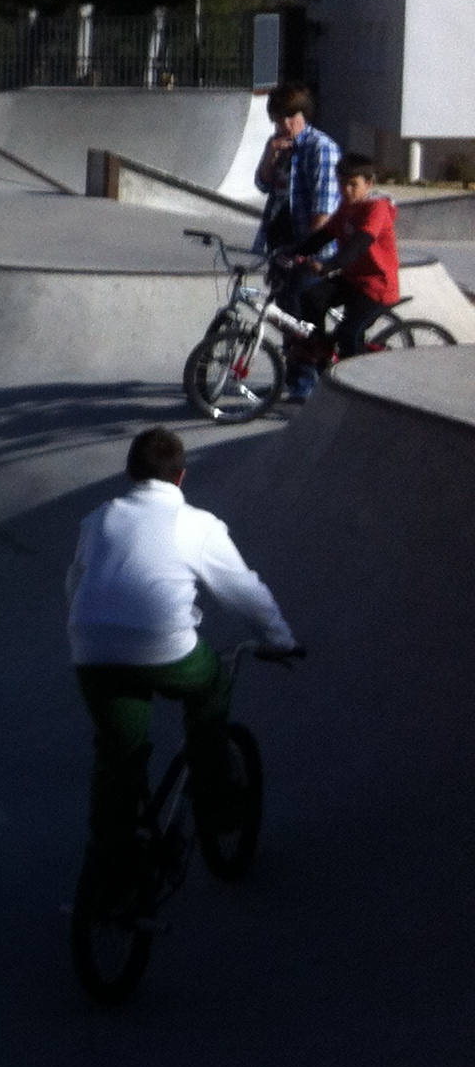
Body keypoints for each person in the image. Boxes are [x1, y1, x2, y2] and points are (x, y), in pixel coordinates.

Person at [68, 427, 301, 896]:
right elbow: (242, 590)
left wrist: (93, 639)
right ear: (181, 477)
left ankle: (109, 868)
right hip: (163, 648)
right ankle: (215, 802)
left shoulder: (98, 519)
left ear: (130, 473)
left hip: (91, 649)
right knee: (211, 687)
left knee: (119, 755)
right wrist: (279, 638)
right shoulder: (197, 525)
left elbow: (76, 584)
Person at [251, 85, 341, 399]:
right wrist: (270, 154)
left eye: (290, 116)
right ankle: (294, 377)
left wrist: (308, 251)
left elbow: (323, 208)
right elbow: (263, 184)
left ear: (303, 115)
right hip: (279, 243)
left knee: (303, 317)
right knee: (286, 316)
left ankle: (306, 383)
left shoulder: (320, 147)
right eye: (278, 118)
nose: (284, 124)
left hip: (308, 247)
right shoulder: (279, 145)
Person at [287, 153, 401, 366]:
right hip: (353, 280)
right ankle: (320, 349)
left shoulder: (376, 208)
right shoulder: (347, 207)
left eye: (352, 184)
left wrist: (329, 265)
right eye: (341, 184)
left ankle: (359, 385)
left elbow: (358, 244)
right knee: (311, 297)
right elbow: (323, 236)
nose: (345, 190)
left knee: (349, 334)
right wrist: (292, 252)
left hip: (377, 287)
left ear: (368, 183)